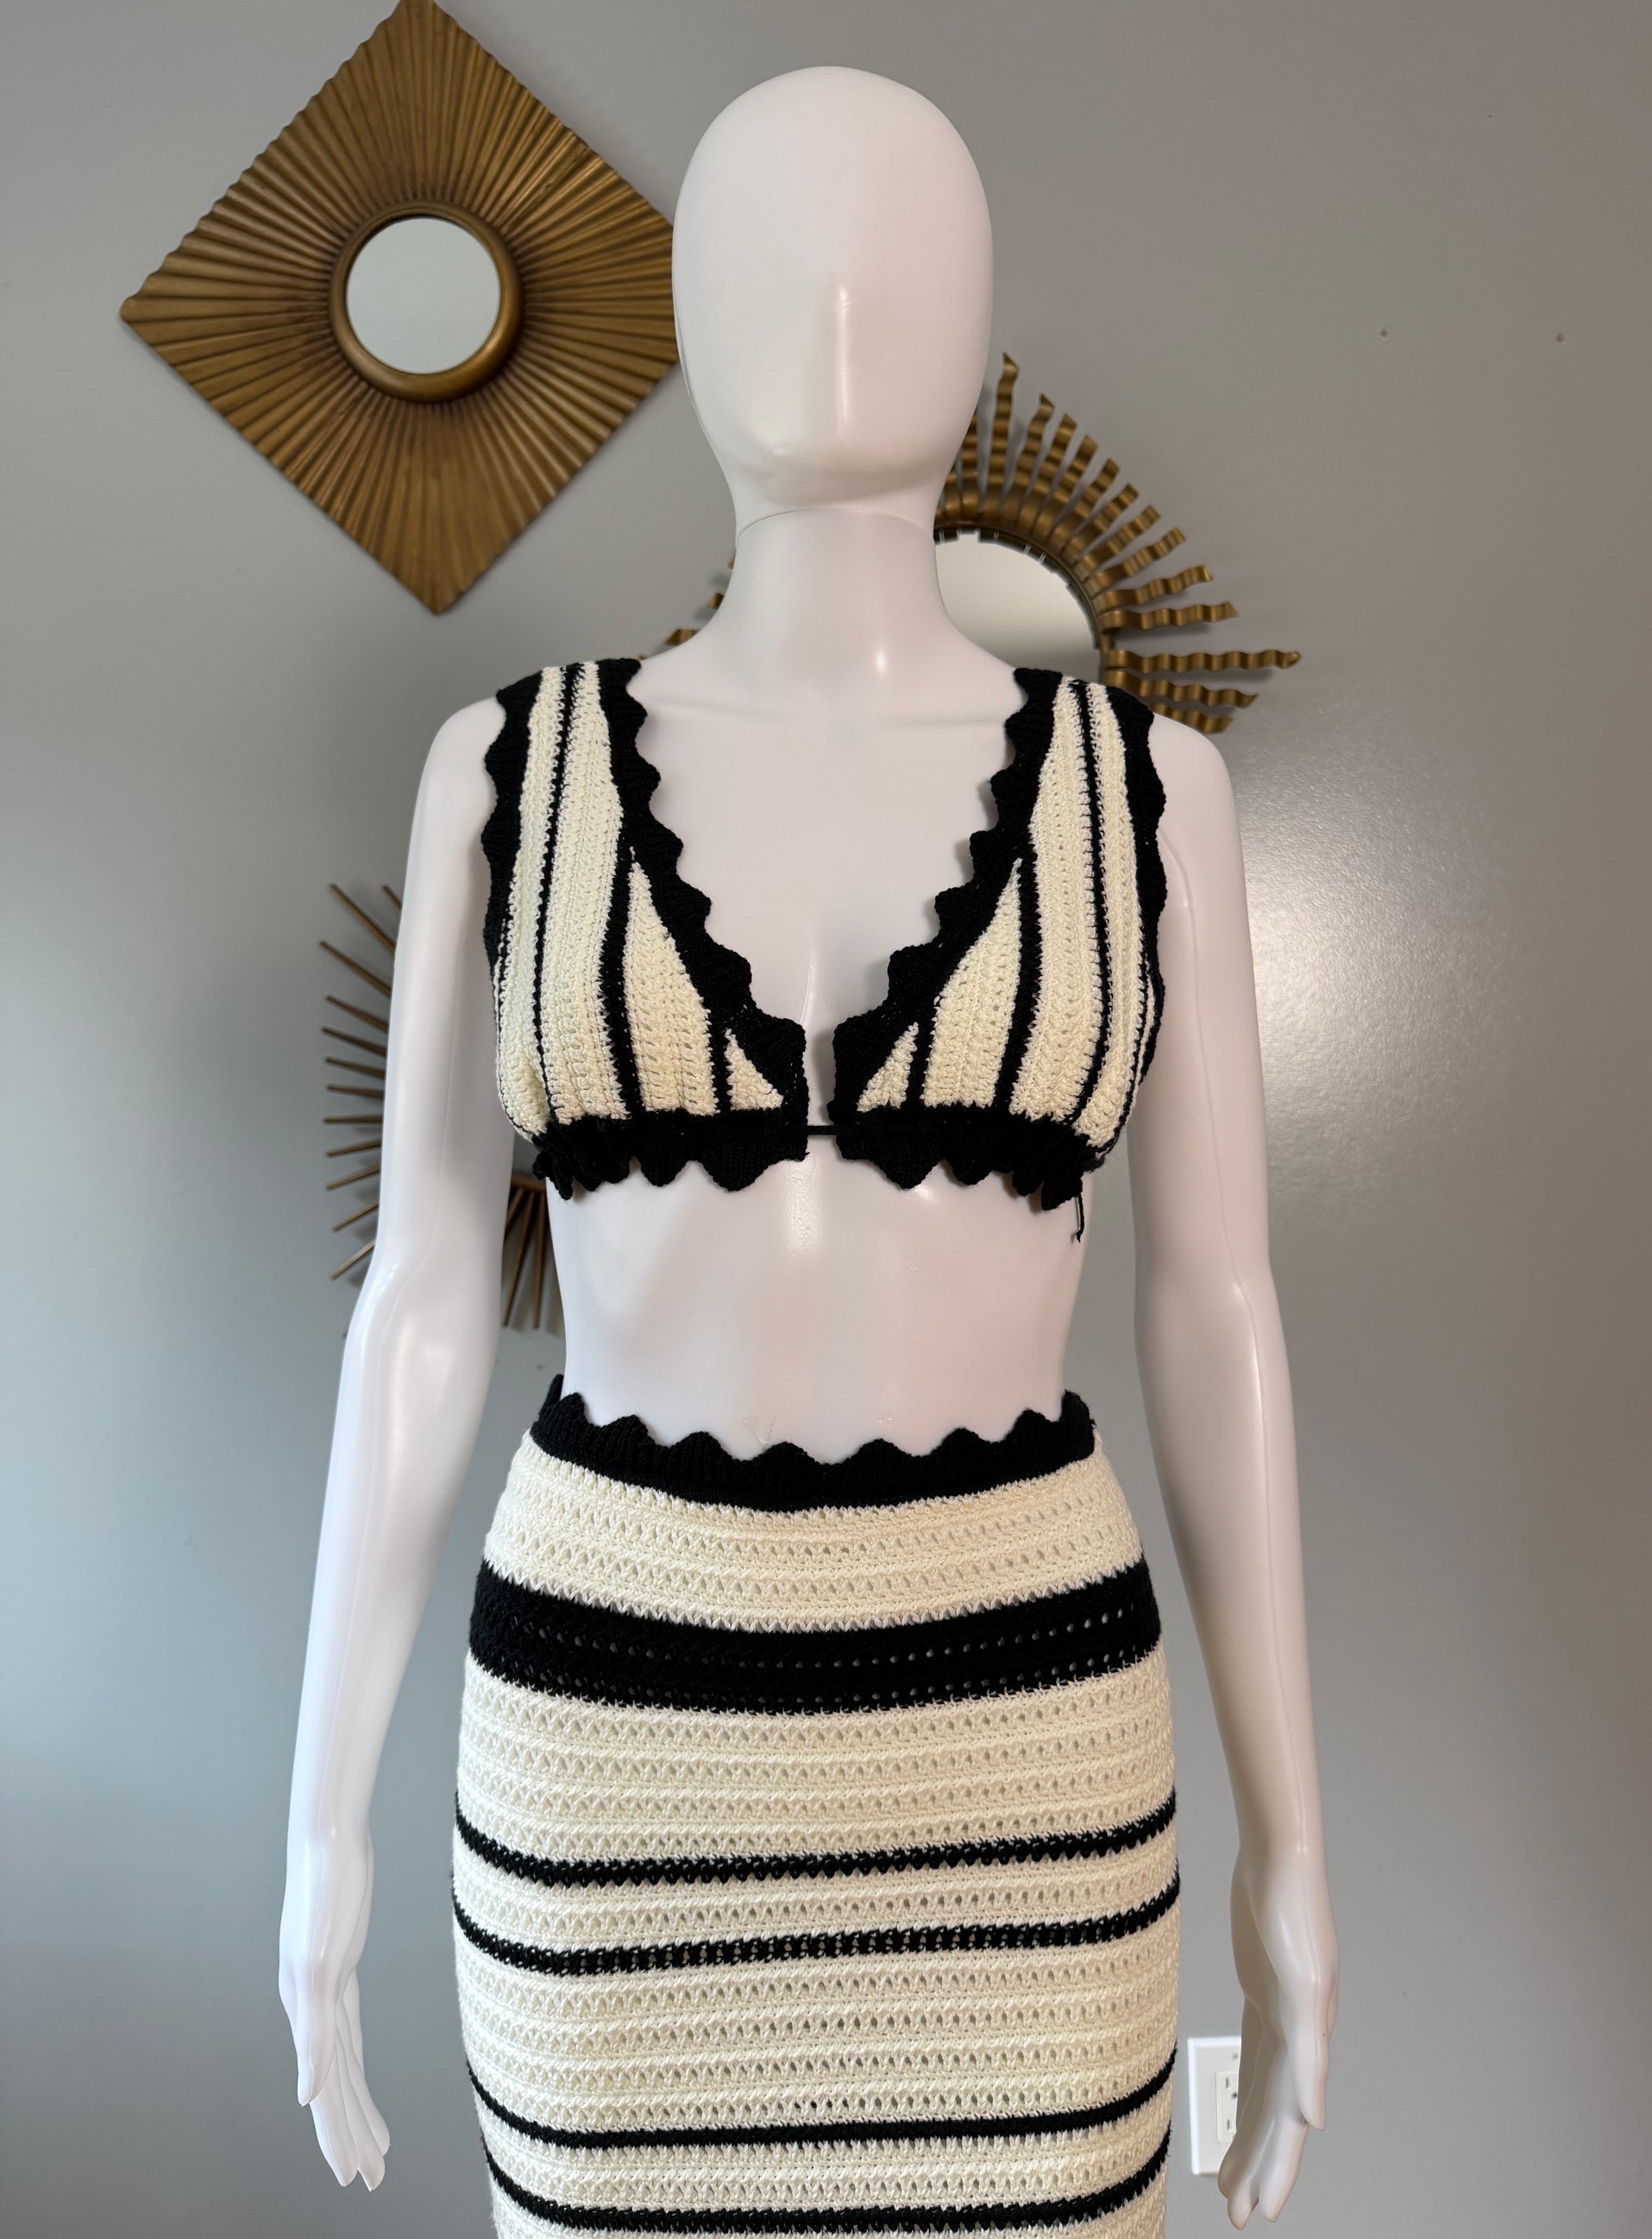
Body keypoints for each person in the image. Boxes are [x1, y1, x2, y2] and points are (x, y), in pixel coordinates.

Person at [280, 65, 1336, 2235]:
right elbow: (419, 1305)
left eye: (896, 254)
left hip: (1022, 1749)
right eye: (774, 255)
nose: (837, 302)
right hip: (611, 1748)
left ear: (975, 320)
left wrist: (1290, 1840)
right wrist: (318, 1828)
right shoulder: (508, 772)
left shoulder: (1150, 797)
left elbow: (1217, 1310)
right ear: (685, 322)